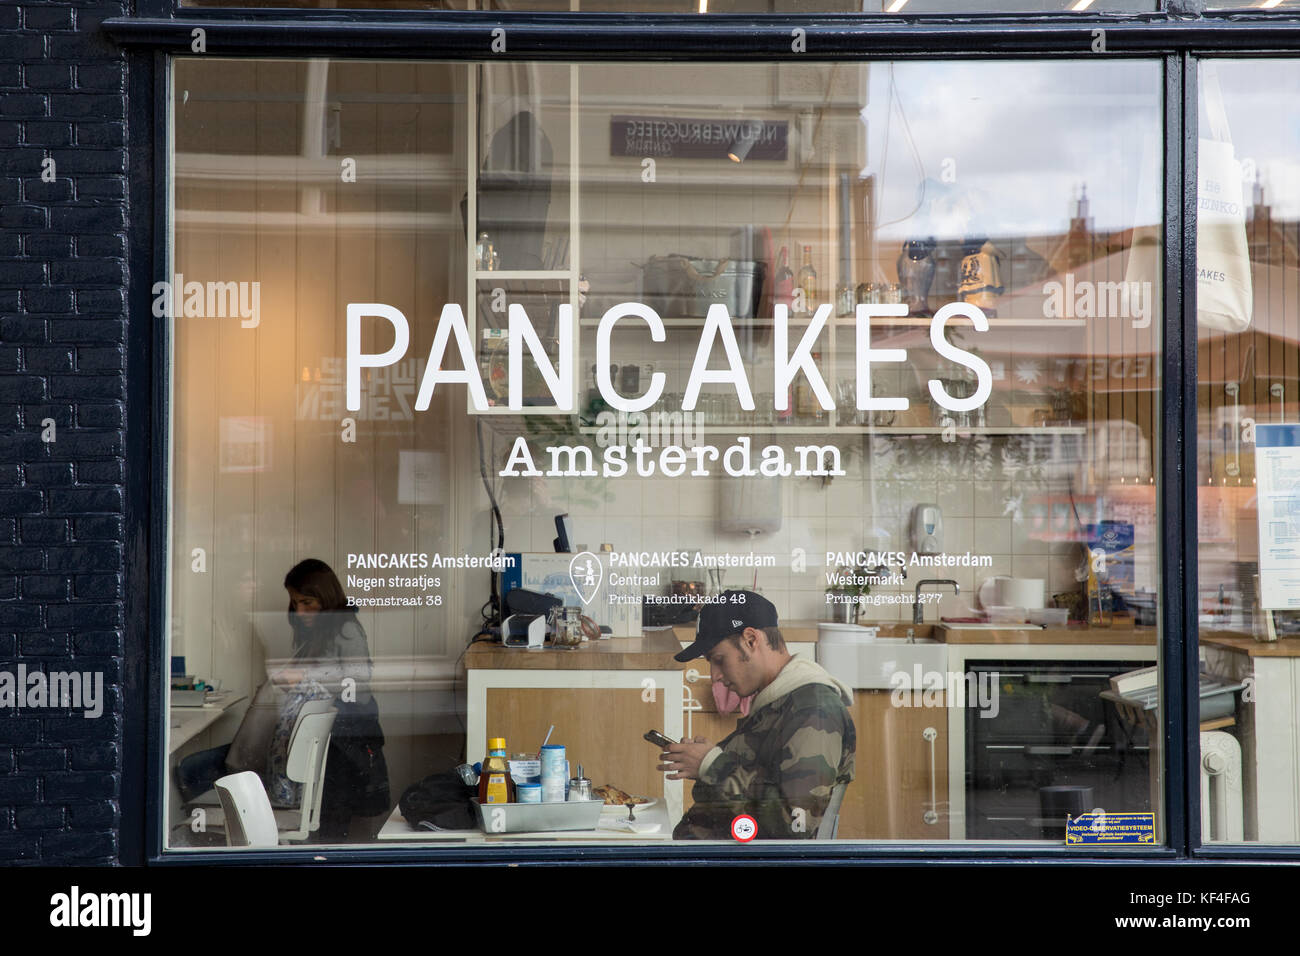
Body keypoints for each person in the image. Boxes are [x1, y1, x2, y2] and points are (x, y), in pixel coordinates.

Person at [660, 590, 855, 840]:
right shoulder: (778, 700)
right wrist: (709, 760)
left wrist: (712, 765)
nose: (716, 675)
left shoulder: (813, 710)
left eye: (719, 660)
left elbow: (795, 822)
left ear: (751, 640)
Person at [278, 559, 390, 839]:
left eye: (307, 602)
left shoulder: (346, 629)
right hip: (320, 740)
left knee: (331, 822)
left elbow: (359, 686)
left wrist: (305, 679)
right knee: (321, 821)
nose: (300, 611)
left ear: (326, 598)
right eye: (295, 603)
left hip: (340, 743)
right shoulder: (314, 631)